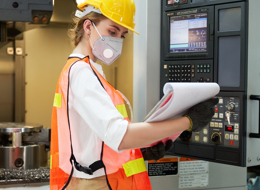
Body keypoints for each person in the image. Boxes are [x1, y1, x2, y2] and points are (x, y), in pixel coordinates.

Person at [50, 0, 219, 189]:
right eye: (112, 32)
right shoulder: (81, 72)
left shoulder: (88, 70)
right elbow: (121, 136)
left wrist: (140, 149)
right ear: (88, 26)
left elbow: (100, 140)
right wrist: (189, 121)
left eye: (122, 35)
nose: (117, 40)